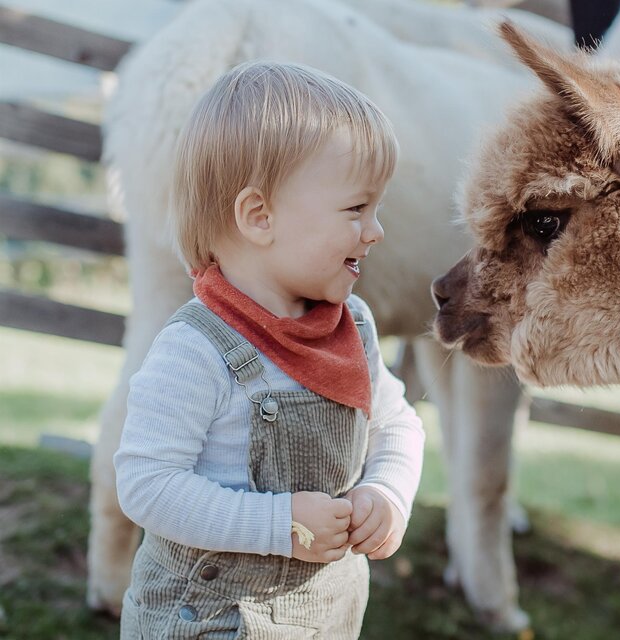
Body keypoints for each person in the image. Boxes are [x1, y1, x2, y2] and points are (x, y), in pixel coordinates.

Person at [114, 60, 425, 639]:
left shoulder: (351, 326)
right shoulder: (197, 348)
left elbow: (397, 425)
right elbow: (147, 483)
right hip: (209, 622)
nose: (376, 230)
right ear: (260, 217)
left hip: (321, 620)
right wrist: (277, 524)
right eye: (357, 209)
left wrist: (388, 490)